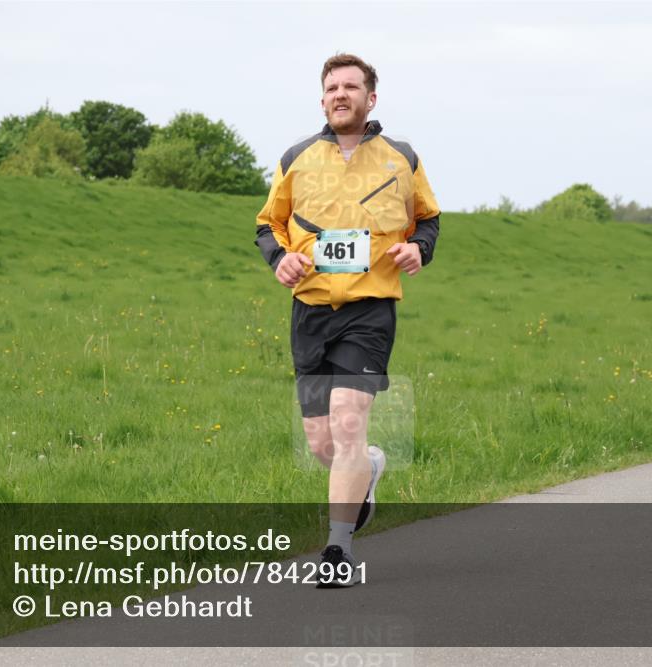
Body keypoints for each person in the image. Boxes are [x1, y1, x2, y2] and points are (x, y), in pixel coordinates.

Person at [254, 53, 441, 588]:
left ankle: (337, 552)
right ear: (323, 100)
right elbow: (269, 225)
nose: (341, 94)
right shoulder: (296, 158)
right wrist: (280, 258)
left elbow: (427, 218)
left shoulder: (401, 157)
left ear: (370, 98)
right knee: (322, 443)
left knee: (349, 420)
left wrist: (418, 251)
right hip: (310, 311)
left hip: (369, 310)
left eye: (351, 87)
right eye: (332, 87)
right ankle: (371, 467)